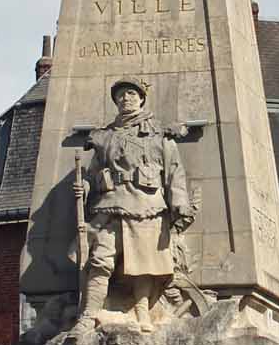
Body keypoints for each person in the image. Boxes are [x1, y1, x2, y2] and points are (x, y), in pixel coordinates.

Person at [78, 79, 193, 325]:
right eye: (120, 95)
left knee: (144, 263)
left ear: (141, 98)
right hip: (110, 205)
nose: (125, 98)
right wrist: (84, 187)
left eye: (131, 93)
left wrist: (180, 205)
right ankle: (89, 313)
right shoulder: (105, 137)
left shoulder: (159, 133)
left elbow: (174, 171)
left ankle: (143, 312)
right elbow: (92, 172)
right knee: (100, 258)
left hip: (147, 205)